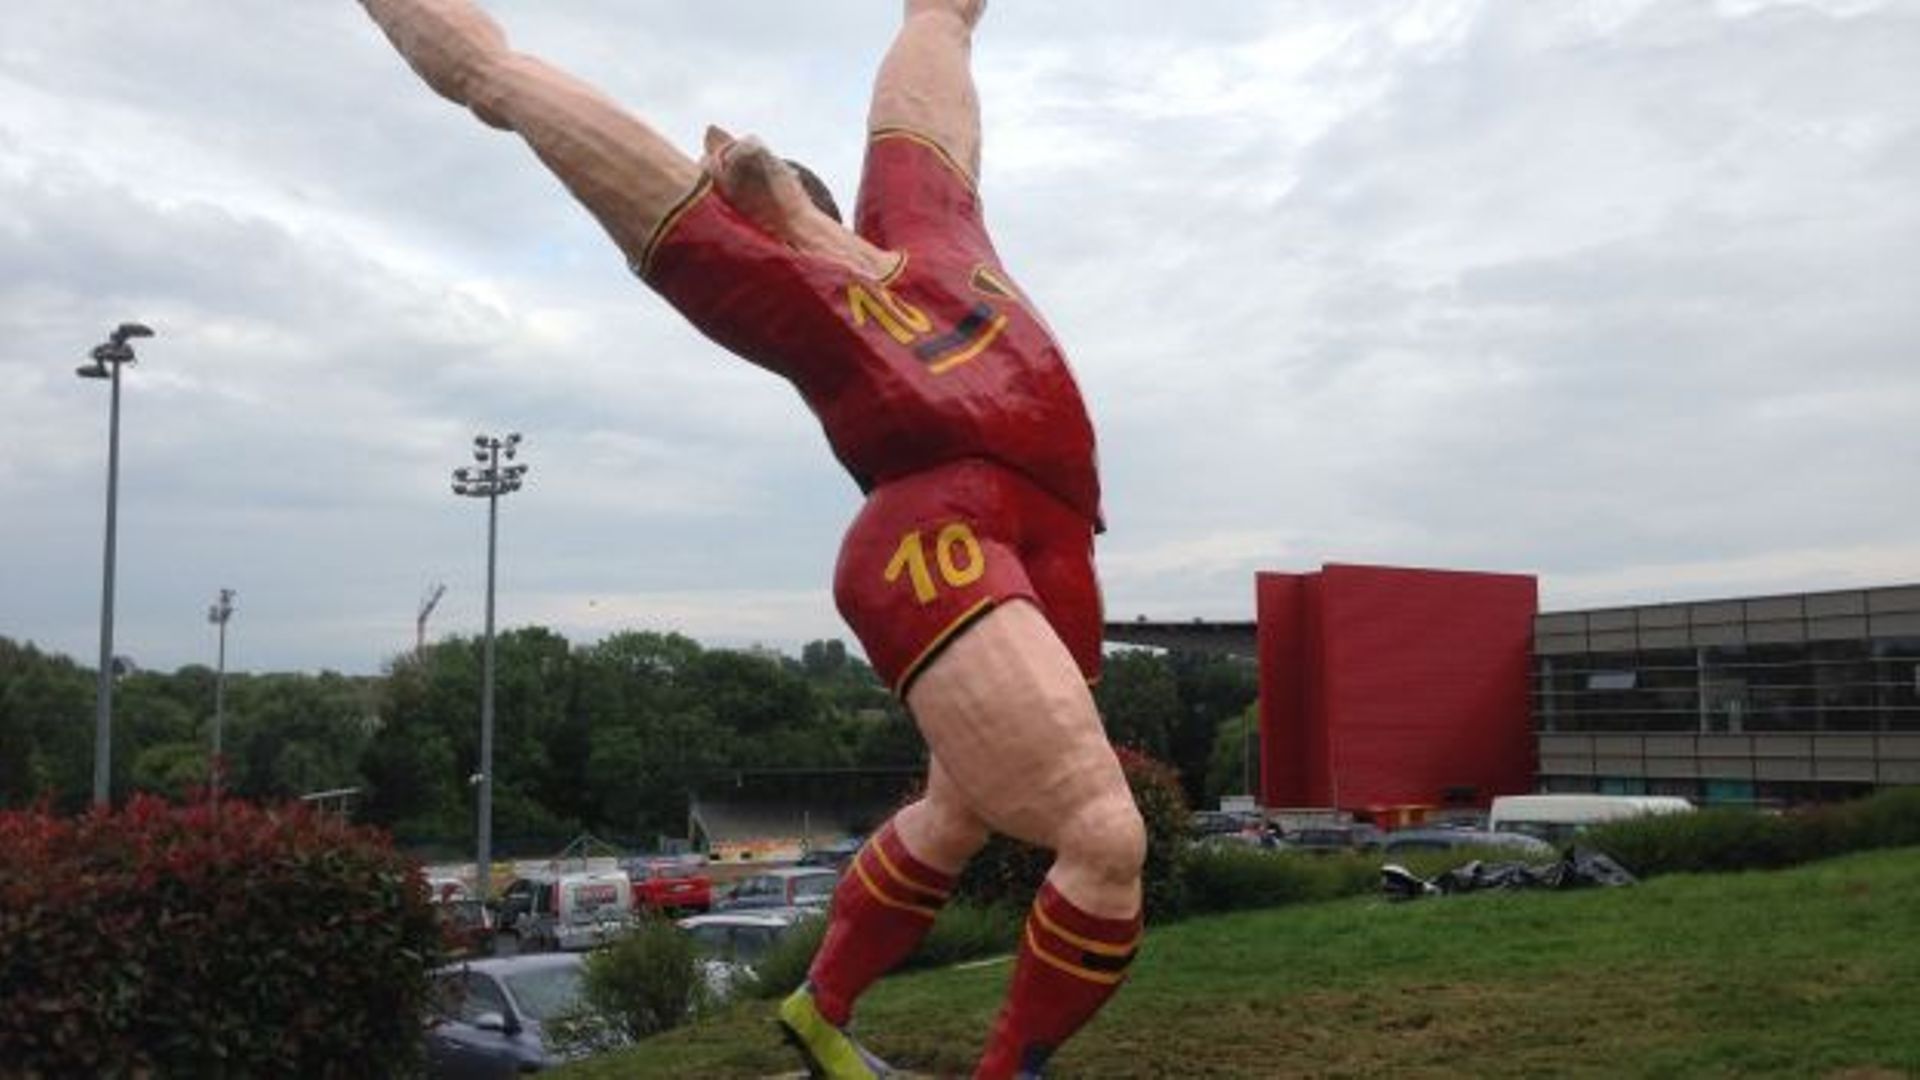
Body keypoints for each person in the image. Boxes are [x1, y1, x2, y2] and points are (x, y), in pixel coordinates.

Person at [358, 2, 1146, 1076]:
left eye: (717, 159)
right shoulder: (778, 287)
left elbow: (943, 22)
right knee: (1104, 836)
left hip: (1054, 534)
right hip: (941, 537)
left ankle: (820, 1012)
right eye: (708, 167)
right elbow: (497, 82)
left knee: (956, 812)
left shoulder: (929, 224)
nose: (713, 157)